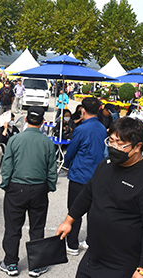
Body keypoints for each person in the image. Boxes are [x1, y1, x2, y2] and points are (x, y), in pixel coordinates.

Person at [56, 117, 143, 278]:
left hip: (123, 264)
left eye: (120, 144)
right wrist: (69, 220)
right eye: (111, 141)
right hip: (92, 257)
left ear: (137, 147)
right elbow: (88, 193)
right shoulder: (106, 164)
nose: (113, 147)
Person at [0, 107, 57, 277]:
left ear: (25, 119)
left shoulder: (15, 140)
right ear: (42, 122)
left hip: (16, 187)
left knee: (12, 227)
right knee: (37, 227)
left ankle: (11, 263)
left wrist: (5, 184)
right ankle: (35, 265)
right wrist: (50, 186)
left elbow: (7, 165)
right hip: (39, 188)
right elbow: (51, 168)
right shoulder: (47, 142)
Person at [62, 97, 107, 256]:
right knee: (93, 211)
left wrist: (66, 163)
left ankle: (72, 244)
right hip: (97, 175)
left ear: (82, 111)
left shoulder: (81, 129)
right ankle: (89, 240)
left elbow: (71, 151)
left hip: (80, 174)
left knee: (74, 209)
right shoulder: (102, 128)